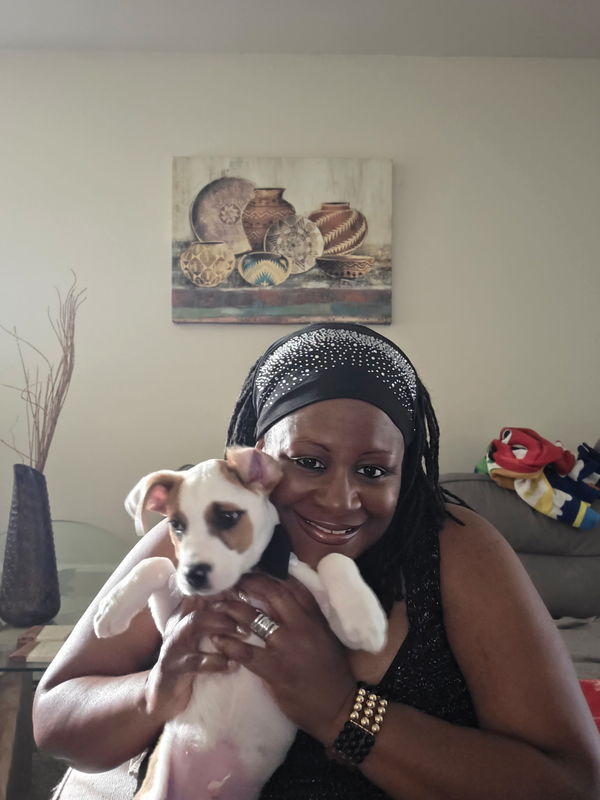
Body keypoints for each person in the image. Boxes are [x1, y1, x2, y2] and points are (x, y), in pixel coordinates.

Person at [33, 323, 600, 799]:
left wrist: (340, 711)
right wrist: (156, 689)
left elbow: (570, 782)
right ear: (257, 459)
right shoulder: (203, 529)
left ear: (405, 473)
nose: (339, 499)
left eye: (373, 471)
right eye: (308, 462)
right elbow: (54, 719)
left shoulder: (456, 550)